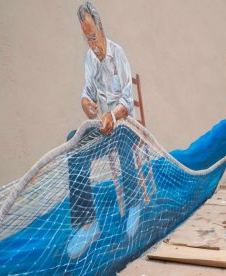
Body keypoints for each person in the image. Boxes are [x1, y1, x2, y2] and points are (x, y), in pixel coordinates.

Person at [66, 2, 140, 259]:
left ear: (101, 28)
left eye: (94, 37)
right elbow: (86, 94)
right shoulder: (89, 58)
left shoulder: (118, 54)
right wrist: (86, 105)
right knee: (72, 142)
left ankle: (134, 205)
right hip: (102, 126)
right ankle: (88, 225)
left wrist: (112, 114)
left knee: (122, 137)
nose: (93, 45)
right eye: (87, 39)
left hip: (124, 124)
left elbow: (128, 103)